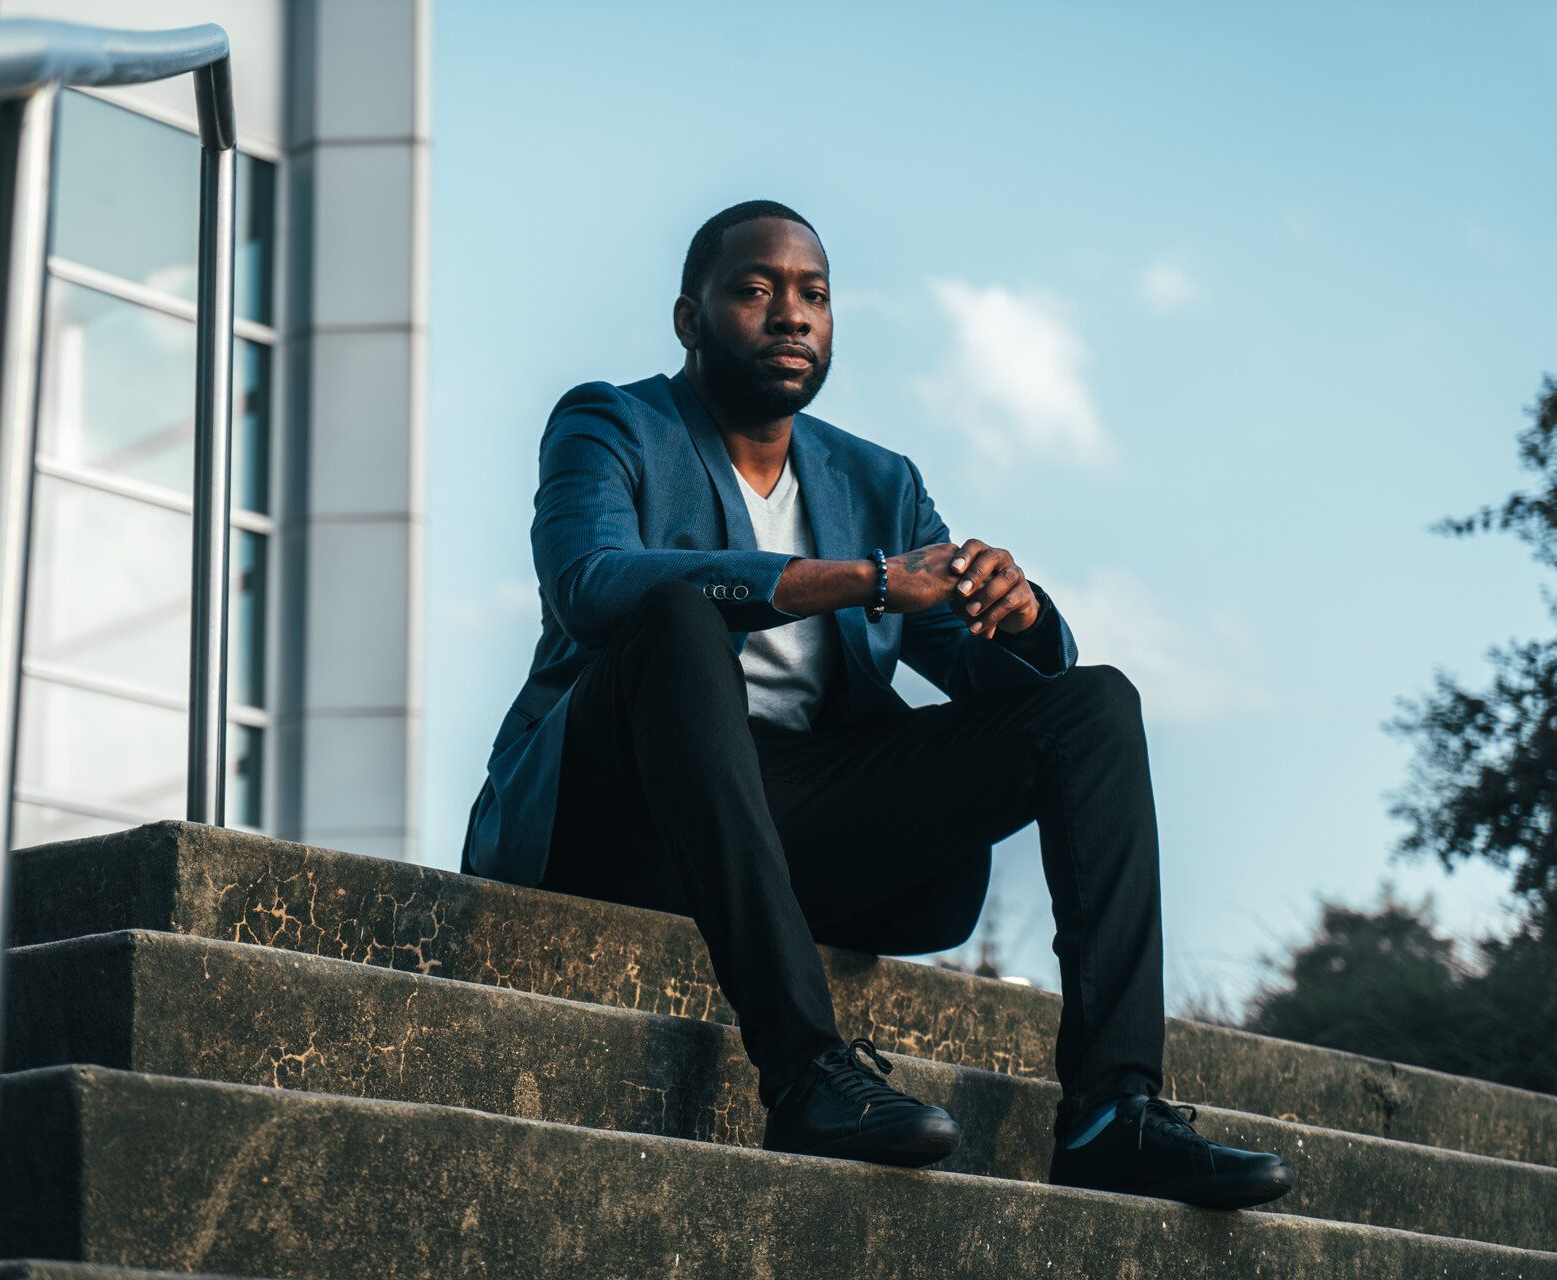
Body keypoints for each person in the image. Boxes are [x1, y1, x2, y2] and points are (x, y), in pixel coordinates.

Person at [461, 199, 1295, 1209]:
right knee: (676, 614)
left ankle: (1113, 1109)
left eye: (813, 293)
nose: (790, 314)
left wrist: (1017, 614)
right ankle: (808, 1071)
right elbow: (592, 585)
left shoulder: (877, 480)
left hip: (792, 817)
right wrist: (854, 578)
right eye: (755, 289)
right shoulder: (610, 421)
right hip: (621, 809)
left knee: (1094, 706)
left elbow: (984, 674)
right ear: (691, 320)